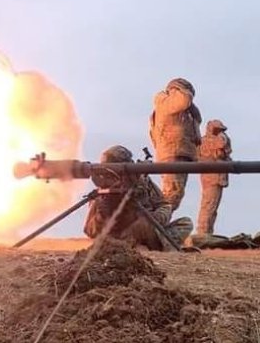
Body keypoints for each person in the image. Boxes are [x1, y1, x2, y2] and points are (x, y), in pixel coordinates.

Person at [83, 145, 193, 251]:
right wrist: (103, 214)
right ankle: (157, 246)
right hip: (118, 236)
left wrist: (153, 219)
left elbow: (164, 205)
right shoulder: (103, 191)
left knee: (186, 223)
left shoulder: (142, 181)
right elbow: (90, 230)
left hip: (147, 230)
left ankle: (157, 244)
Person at [148, 77, 202, 211]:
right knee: (171, 194)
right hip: (173, 153)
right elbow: (184, 100)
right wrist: (181, 89)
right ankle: (156, 225)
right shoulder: (169, 100)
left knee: (174, 194)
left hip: (179, 153)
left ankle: (158, 224)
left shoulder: (178, 107)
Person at [196, 119, 232, 235]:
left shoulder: (214, 140)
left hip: (217, 177)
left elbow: (225, 152)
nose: (221, 133)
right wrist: (221, 136)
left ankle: (207, 232)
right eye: (218, 130)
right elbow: (221, 145)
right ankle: (203, 233)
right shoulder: (206, 141)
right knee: (208, 206)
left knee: (212, 207)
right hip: (211, 177)